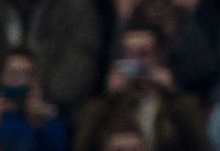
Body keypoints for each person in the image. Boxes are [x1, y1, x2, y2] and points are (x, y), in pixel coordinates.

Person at [73, 25, 209, 151]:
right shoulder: (106, 105)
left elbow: (201, 144)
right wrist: (109, 98)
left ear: (160, 55)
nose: (135, 62)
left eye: (143, 54)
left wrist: (173, 95)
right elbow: (83, 145)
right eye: (129, 54)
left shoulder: (180, 103)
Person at [0, 49, 70, 151]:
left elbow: (61, 146)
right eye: (13, 73)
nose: (20, 79)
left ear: (35, 80)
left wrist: (39, 123)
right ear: (1, 76)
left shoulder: (48, 116)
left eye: (27, 74)